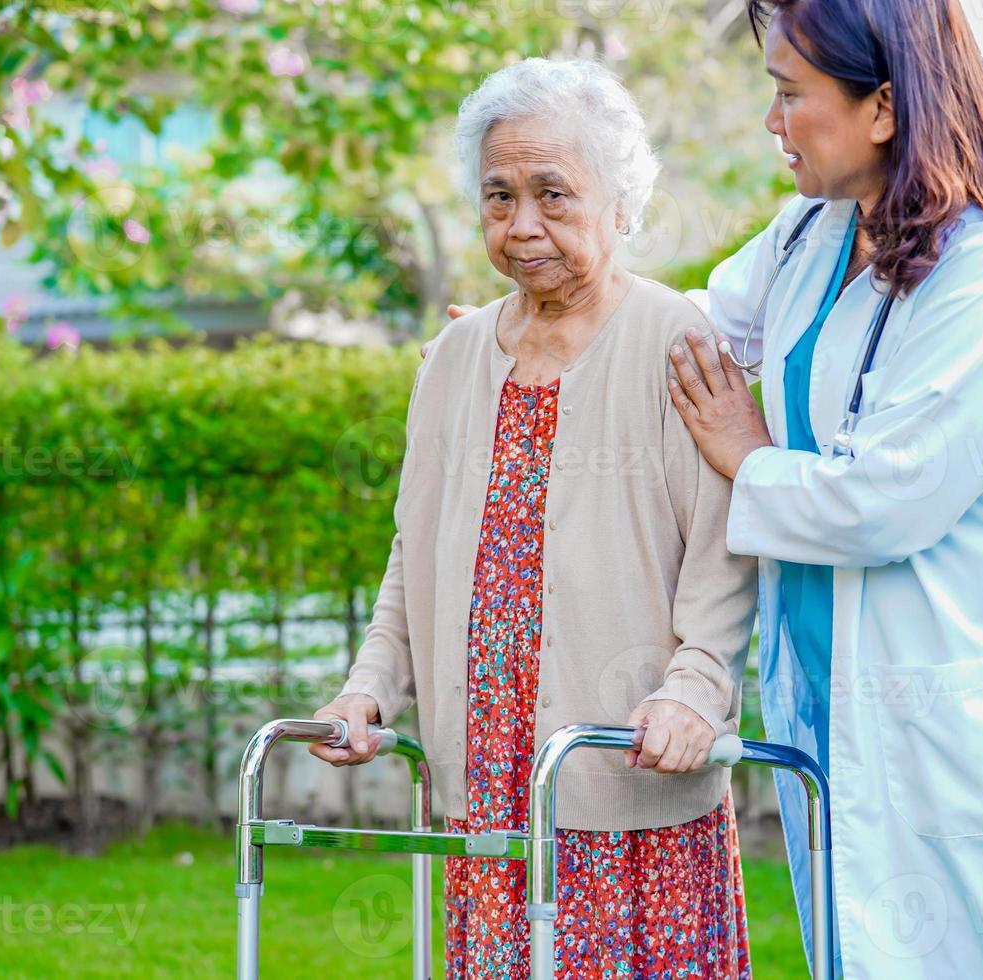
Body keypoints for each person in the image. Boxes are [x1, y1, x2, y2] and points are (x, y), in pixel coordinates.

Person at [660, 1, 983, 976]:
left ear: (882, 106)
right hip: (846, 685)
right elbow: (699, 332)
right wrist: (552, 328)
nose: (773, 122)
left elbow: (887, 499)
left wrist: (744, 453)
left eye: (790, 94)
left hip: (974, 697)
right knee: (864, 945)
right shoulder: (811, 231)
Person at [314, 58, 757, 979]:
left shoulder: (676, 342)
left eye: (554, 194)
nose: (522, 227)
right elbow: (416, 555)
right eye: (499, 195)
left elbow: (725, 554)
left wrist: (695, 690)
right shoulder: (452, 357)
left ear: (620, 199)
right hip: (484, 792)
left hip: (623, 777)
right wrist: (368, 688)